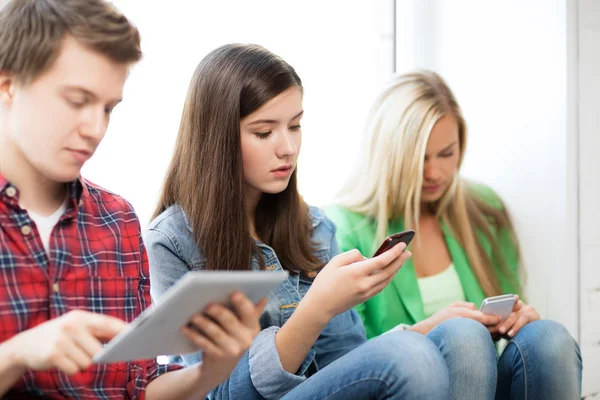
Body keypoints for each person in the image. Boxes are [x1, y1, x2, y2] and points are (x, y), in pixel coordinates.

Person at [145, 44, 453, 400]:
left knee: (462, 336)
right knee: (412, 355)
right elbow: (223, 393)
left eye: (295, 126)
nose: (288, 147)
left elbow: (348, 365)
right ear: (218, 138)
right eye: (264, 133)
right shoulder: (170, 242)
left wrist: (418, 331)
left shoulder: (315, 228)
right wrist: (316, 309)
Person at [0, 1, 263, 398]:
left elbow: (138, 388)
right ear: (8, 86)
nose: (96, 128)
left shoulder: (117, 220)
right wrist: (16, 355)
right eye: (76, 101)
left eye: (109, 108)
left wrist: (212, 370)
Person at [326, 70, 583, 399]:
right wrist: (433, 329)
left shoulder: (483, 209)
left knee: (548, 337)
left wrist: (520, 320)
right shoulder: (343, 229)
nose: (434, 173)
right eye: (419, 159)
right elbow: (346, 367)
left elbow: (509, 316)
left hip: (485, 382)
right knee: (463, 336)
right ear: (389, 156)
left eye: (446, 154)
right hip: (402, 387)